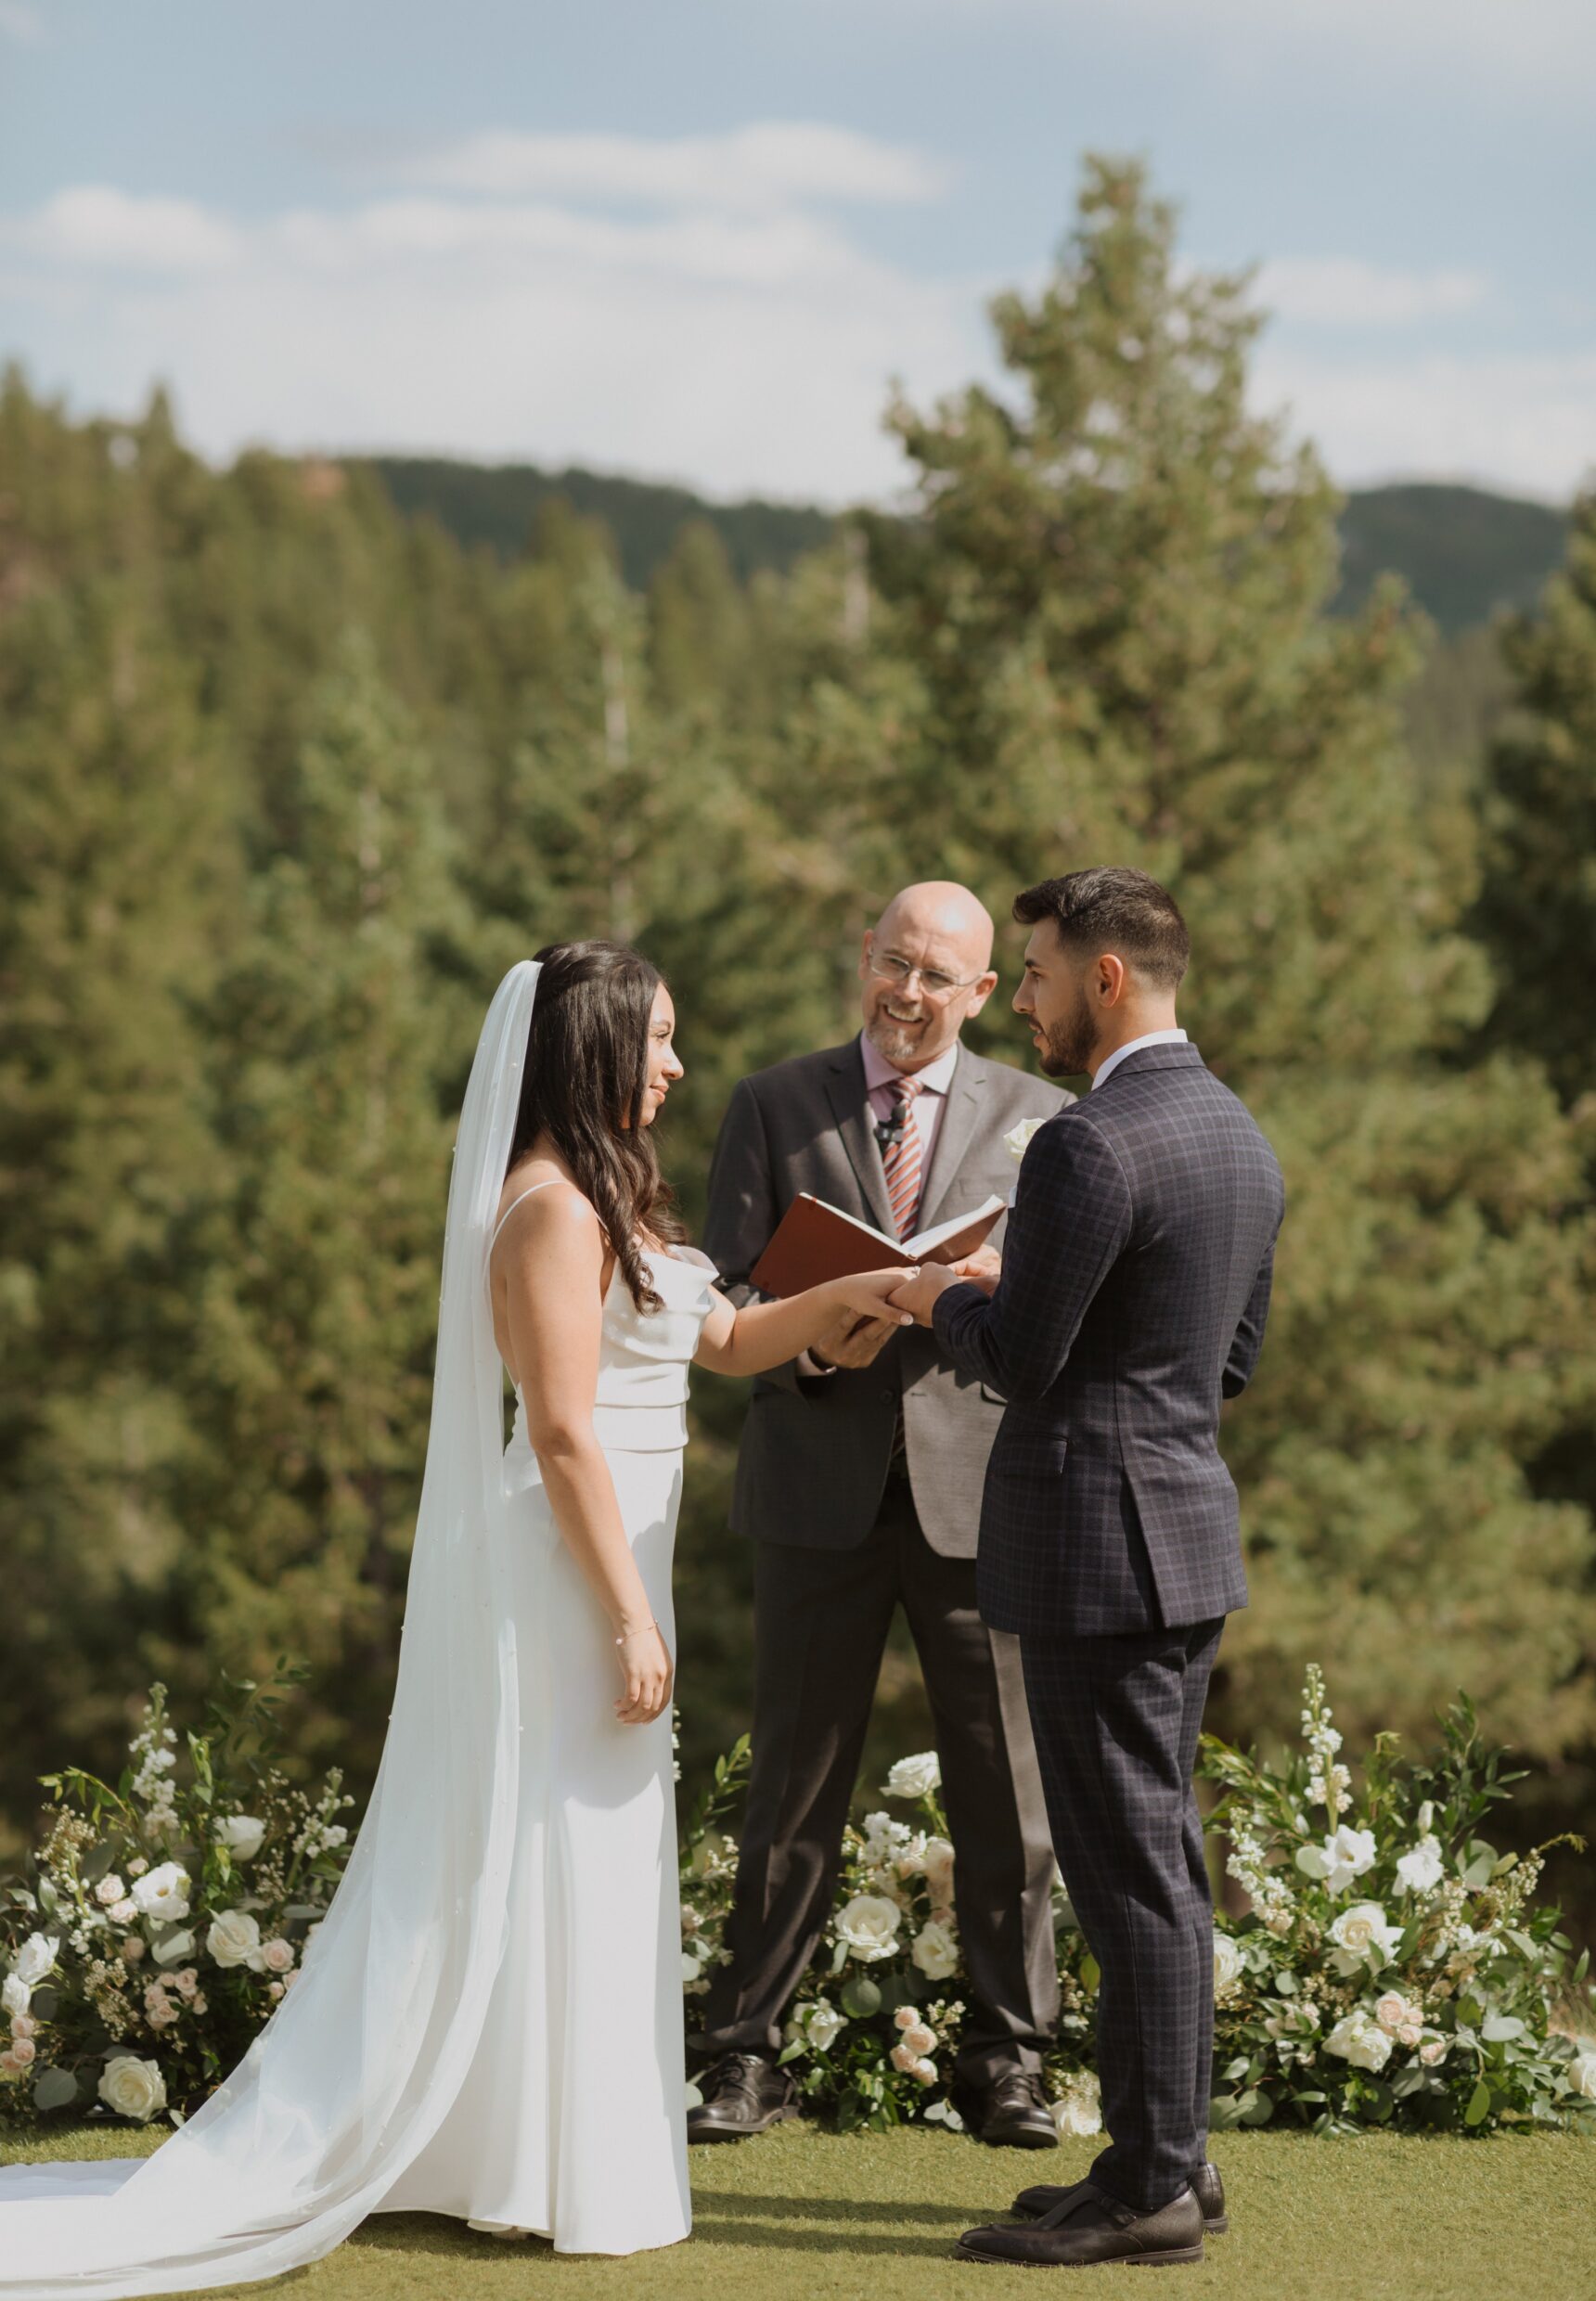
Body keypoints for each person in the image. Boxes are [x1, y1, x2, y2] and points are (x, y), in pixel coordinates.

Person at [0, 943, 914, 2292]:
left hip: (620, 1548)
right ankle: (543, 2161)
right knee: (561, 1828)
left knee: (591, 1838)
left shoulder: (616, 1192)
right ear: (594, 1048)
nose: (673, 1066)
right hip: (570, 1562)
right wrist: (629, 1619)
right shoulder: (549, 1207)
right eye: (655, 1042)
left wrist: (859, 1298)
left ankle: (531, 2153)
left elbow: (718, 1344)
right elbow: (557, 1430)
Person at [890, 868, 1285, 2271]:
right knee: (1156, 1860)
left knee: (1129, 1879)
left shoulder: (1087, 1144)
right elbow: (1227, 1363)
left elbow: (1022, 1362)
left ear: (1105, 978)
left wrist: (953, 1298)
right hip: (1178, 1535)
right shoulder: (1241, 1137)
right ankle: (1160, 2159)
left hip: (1091, 1554)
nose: (1035, 1001)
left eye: (1043, 973)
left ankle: (1152, 2190)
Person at [688, 881, 1066, 2150]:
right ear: (865, 961)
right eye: (892, 964)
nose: (908, 994)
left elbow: (1065, 1319)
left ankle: (1009, 2063)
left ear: (980, 996)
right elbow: (727, 1291)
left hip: (983, 1497)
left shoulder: (1043, 1117)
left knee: (1006, 1794)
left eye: (936, 977)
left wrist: (998, 1291)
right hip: (815, 1486)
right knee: (793, 1784)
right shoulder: (772, 1102)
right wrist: (810, 1350)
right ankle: (743, 2055)